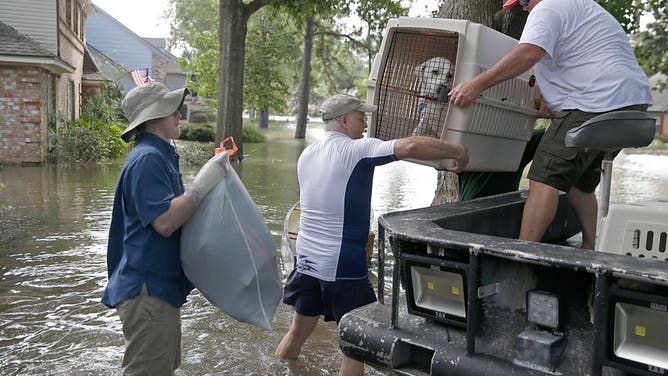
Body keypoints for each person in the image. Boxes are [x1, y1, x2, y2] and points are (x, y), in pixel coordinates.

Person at [274, 93, 468, 375]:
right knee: (357, 345)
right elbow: (411, 145)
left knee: (297, 332)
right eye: (360, 116)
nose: (365, 122)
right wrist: (457, 151)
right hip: (341, 263)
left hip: (305, 259)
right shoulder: (357, 150)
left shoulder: (308, 153)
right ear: (343, 120)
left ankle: (277, 370)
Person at [448, 0, 652, 249]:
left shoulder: (547, 7)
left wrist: (474, 85)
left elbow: (528, 54)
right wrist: (550, 96)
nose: (522, 8)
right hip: (632, 101)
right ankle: (591, 248)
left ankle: (522, 254)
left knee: (543, 178)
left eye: (523, 1)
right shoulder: (582, 7)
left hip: (596, 101)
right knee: (579, 186)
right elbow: (579, 58)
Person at [102, 81, 228, 375]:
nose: (179, 115)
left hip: (155, 287)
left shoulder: (157, 155)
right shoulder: (148, 159)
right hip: (147, 289)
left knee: (162, 367)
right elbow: (166, 222)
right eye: (173, 109)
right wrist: (203, 183)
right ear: (153, 117)